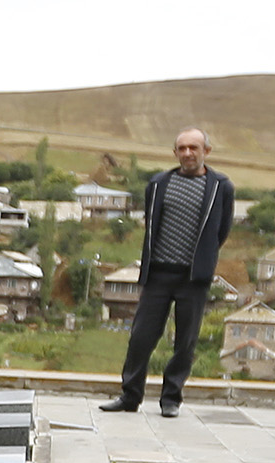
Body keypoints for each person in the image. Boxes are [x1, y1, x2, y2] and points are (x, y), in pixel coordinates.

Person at [99, 127, 234, 418]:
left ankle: (171, 398)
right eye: (182, 148)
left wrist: (203, 257)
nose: (188, 153)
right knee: (141, 337)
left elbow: (221, 231)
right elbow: (152, 222)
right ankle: (130, 396)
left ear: (206, 151)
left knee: (185, 342)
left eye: (193, 148)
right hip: (158, 274)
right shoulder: (159, 183)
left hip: (193, 278)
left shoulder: (221, 187)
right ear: (175, 153)